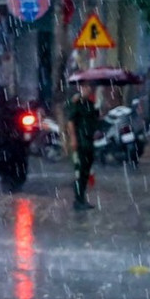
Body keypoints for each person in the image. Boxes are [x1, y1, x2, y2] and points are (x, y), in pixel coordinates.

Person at [64, 81, 101, 209]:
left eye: (89, 87)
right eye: (85, 87)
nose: (88, 89)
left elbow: (96, 121)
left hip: (89, 141)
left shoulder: (91, 104)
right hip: (80, 140)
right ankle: (78, 199)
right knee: (80, 171)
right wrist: (73, 139)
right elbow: (70, 122)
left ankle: (82, 198)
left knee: (86, 170)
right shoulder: (76, 104)